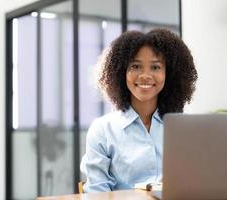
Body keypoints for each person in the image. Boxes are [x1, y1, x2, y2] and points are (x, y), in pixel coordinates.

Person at [80, 28, 197, 193]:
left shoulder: (186, 126)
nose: (145, 75)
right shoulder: (102, 130)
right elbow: (97, 193)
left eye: (155, 67)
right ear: (121, 72)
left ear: (169, 74)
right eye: (135, 66)